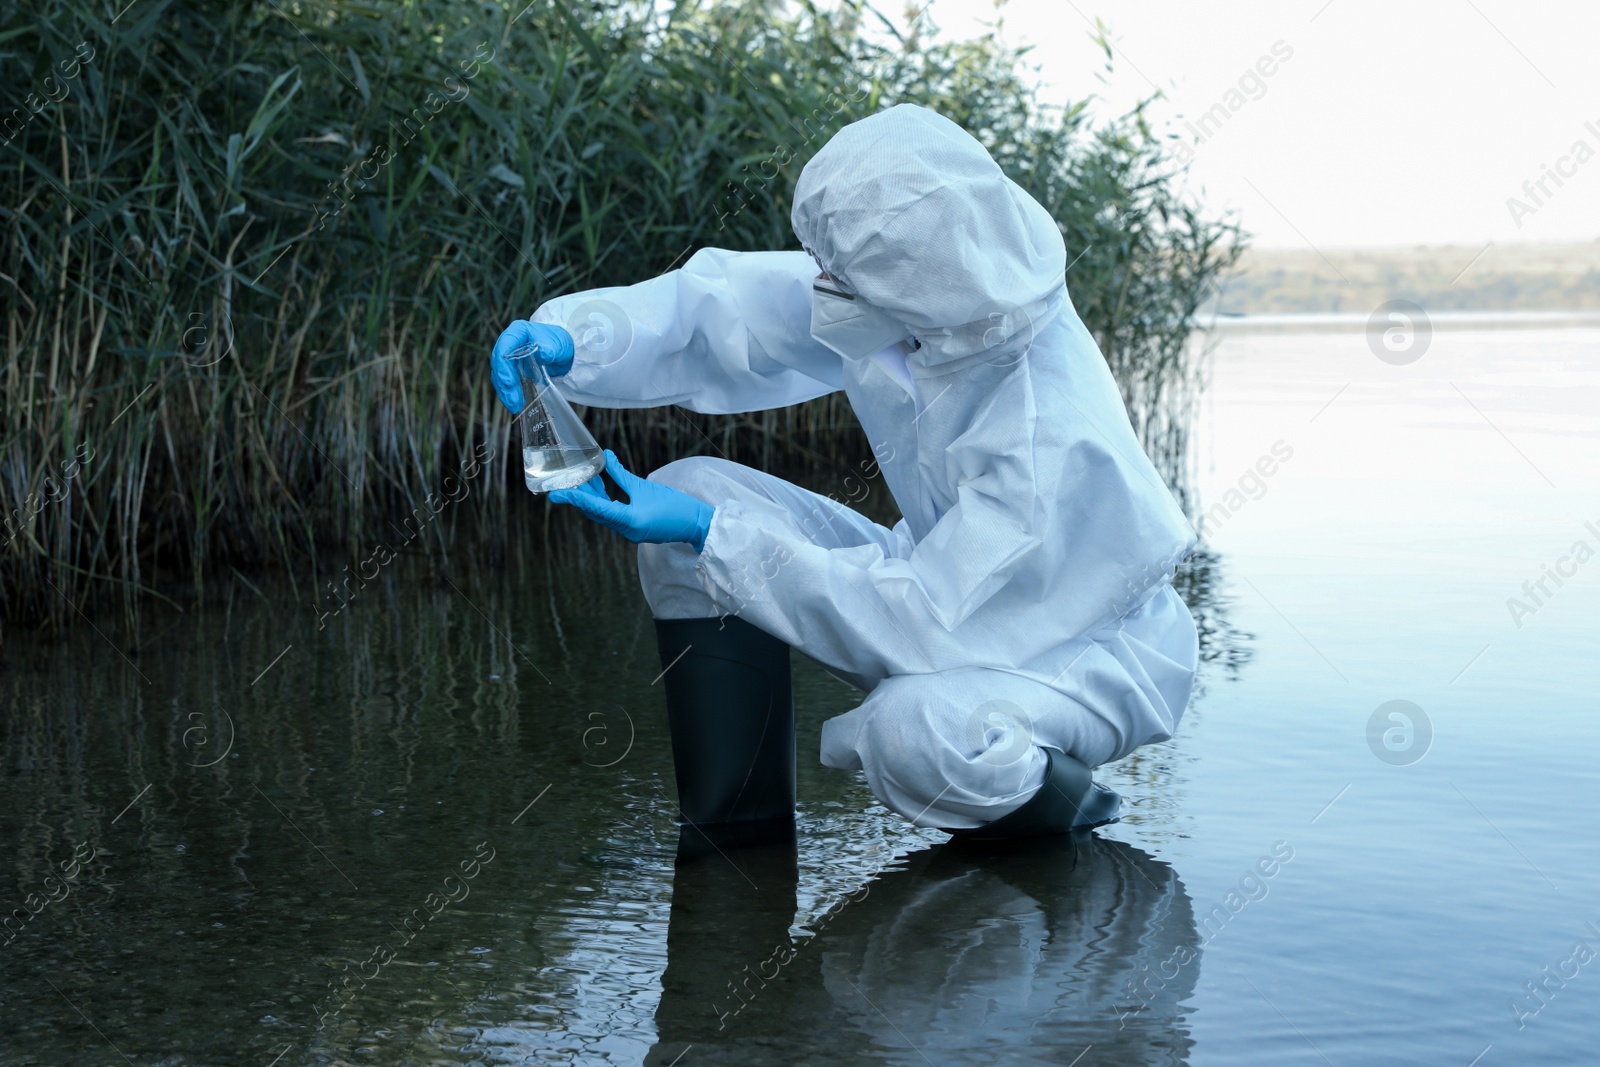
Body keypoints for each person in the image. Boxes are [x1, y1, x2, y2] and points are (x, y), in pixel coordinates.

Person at [489, 104, 1198, 839]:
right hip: (946, 585)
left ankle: (1062, 803)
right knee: (691, 491)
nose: (819, 280)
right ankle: (736, 832)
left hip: (1081, 647)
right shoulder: (928, 295)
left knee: (916, 736)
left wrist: (718, 539)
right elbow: (737, 316)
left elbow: (926, 626)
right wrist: (577, 338)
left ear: (912, 281)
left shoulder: (1046, 426)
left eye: (837, 273)